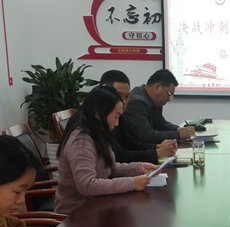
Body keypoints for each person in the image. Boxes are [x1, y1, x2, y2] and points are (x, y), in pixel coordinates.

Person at [55, 84, 160, 215]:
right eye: (115, 117)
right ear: (98, 113)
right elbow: (87, 185)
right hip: (76, 214)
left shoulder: (98, 132)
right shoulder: (81, 140)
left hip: (97, 205)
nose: (117, 123)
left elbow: (109, 168)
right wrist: (131, 183)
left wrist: (139, 168)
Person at [99, 69, 177, 163]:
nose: (123, 101)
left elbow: (130, 144)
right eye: (118, 95)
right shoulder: (96, 121)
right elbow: (119, 156)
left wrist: (156, 147)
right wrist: (156, 153)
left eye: (127, 96)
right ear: (103, 94)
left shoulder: (119, 115)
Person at [119, 69, 195, 150]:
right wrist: (178, 134)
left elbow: (162, 124)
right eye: (169, 94)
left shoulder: (154, 101)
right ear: (157, 87)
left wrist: (179, 129)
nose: (169, 99)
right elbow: (146, 135)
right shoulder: (136, 102)